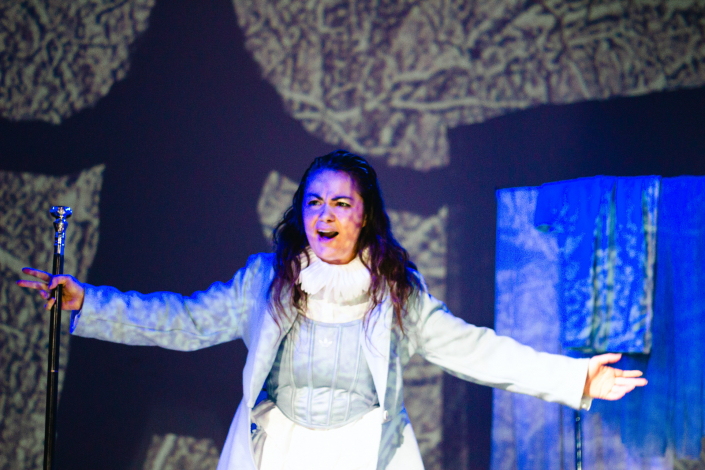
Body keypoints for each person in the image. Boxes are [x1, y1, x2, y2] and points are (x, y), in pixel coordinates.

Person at [19, 150, 647, 470]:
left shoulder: (396, 291)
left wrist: (574, 377)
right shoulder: (264, 280)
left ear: (364, 215)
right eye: (315, 202)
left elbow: (476, 350)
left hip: (362, 456)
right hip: (280, 453)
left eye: (341, 204)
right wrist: (90, 301)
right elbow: (182, 321)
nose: (325, 216)